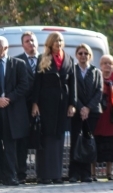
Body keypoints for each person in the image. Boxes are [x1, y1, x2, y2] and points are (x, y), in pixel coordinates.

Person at [31, 32, 77, 185]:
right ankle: (44, 175)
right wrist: (35, 103)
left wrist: (72, 104)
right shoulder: (42, 58)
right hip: (46, 104)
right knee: (46, 138)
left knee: (59, 138)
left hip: (63, 104)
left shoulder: (69, 59)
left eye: (61, 40)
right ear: (50, 43)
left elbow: (73, 84)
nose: (59, 43)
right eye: (56, 40)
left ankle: (57, 174)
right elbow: (37, 83)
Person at [0, 36, 31, 186]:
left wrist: (8, 98)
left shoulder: (18, 64)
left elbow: (24, 85)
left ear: (6, 48)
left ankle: (10, 176)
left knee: (10, 146)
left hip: (12, 112)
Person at [69, 44, 102, 183]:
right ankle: (74, 174)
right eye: (80, 53)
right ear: (76, 55)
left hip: (92, 112)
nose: (83, 56)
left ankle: (86, 173)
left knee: (88, 142)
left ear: (90, 56)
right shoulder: (72, 70)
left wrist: (88, 108)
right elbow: (71, 91)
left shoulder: (96, 72)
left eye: (86, 53)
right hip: (76, 112)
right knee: (75, 142)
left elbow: (99, 92)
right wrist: (81, 107)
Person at [94, 54, 113, 180]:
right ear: (100, 65)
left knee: (111, 148)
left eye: (110, 63)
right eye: (105, 63)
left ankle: (109, 173)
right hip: (98, 118)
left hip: (112, 119)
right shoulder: (96, 78)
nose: (107, 66)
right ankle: (92, 174)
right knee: (96, 146)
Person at [14, 31, 39, 183]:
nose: (31, 43)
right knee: (22, 143)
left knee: (41, 142)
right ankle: (21, 174)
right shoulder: (16, 61)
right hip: (22, 108)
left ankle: (42, 173)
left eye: (33, 40)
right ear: (23, 45)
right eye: (27, 41)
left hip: (42, 108)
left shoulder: (45, 60)